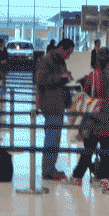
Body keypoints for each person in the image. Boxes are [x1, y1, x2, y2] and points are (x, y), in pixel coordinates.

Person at [69, 55, 109, 185]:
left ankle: (78, 177)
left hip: (95, 114)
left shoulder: (94, 76)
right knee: (107, 149)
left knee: (89, 148)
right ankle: (103, 177)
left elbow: (86, 93)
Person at [35, 37, 74, 181]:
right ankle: (48, 170)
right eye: (68, 53)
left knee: (55, 137)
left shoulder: (60, 60)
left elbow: (60, 78)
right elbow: (41, 80)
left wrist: (67, 77)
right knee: (51, 137)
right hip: (50, 103)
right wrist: (61, 78)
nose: (69, 56)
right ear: (61, 48)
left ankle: (51, 167)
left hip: (58, 102)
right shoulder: (47, 60)